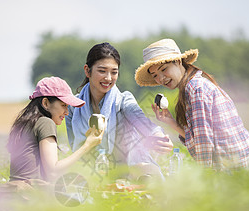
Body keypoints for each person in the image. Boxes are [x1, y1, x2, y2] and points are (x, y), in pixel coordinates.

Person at [135, 38, 249, 170]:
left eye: (164, 69)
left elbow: (204, 144)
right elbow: (199, 137)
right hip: (237, 167)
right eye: (155, 75)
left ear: (178, 61)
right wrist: (170, 121)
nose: (161, 78)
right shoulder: (193, 85)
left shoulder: (196, 89)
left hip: (235, 170)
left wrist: (203, 180)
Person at [65, 42, 173, 178]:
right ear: (87, 70)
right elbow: (74, 148)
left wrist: (158, 136)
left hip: (129, 174)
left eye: (114, 72)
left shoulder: (123, 100)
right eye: (102, 71)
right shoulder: (73, 107)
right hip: (92, 175)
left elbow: (140, 120)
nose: (108, 78)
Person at [7, 76, 103, 187]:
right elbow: (53, 172)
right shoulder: (45, 122)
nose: (67, 112)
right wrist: (87, 146)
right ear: (46, 103)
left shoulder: (25, 124)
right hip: (31, 195)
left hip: (15, 193)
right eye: (63, 105)